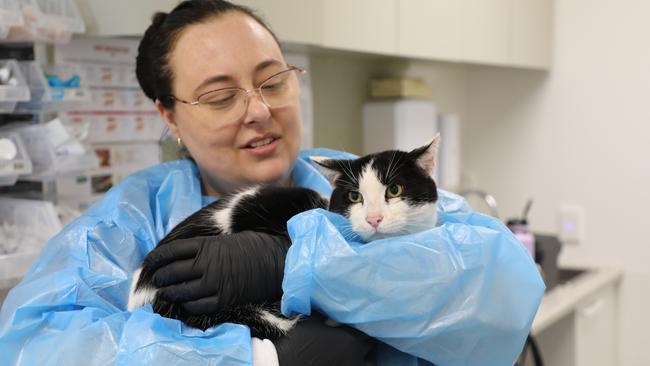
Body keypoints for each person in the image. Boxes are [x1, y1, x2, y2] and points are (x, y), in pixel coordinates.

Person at [0, 1, 544, 365]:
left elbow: (502, 294)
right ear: (169, 116)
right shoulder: (133, 221)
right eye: (219, 96)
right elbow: (32, 345)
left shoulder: (365, 184)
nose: (258, 110)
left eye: (273, 80)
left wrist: (306, 262)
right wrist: (260, 356)